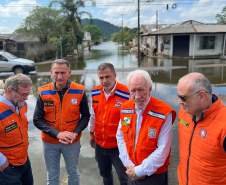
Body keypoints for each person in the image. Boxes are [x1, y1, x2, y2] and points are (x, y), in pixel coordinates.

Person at [33, 59, 90, 185]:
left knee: (73, 172)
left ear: (69, 73)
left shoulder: (80, 91)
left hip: (72, 141)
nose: (59, 77)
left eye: (63, 73)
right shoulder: (43, 92)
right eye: (56, 72)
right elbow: (37, 119)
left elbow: (85, 116)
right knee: (52, 175)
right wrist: (57, 134)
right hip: (50, 142)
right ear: (51, 73)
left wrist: (75, 133)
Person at [116, 70, 176, 185]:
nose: (137, 96)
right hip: (131, 169)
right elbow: (121, 136)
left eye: (141, 90)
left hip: (154, 176)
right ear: (129, 91)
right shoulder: (125, 109)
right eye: (133, 91)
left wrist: (139, 171)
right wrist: (128, 164)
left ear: (149, 89)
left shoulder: (163, 113)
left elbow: (163, 149)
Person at [176, 72, 226, 185]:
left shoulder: (224, 125)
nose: (179, 102)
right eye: (178, 96)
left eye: (183, 98)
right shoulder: (184, 112)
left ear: (202, 96)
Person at [89, 63, 129, 185]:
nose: (104, 81)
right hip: (100, 145)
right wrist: (91, 133)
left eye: (108, 77)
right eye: (101, 77)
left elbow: (129, 120)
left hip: (119, 147)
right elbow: (93, 115)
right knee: (105, 174)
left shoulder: (126, 93)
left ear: (115, 75)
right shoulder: (95, 92)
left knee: (124, 177)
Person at [0, 74, 33, 185]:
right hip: (7, 167)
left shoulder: (22, 105)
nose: (26, 98)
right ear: (9, 90)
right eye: (23, 94)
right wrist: (1, 160)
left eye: (28, 94)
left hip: (24, 160)